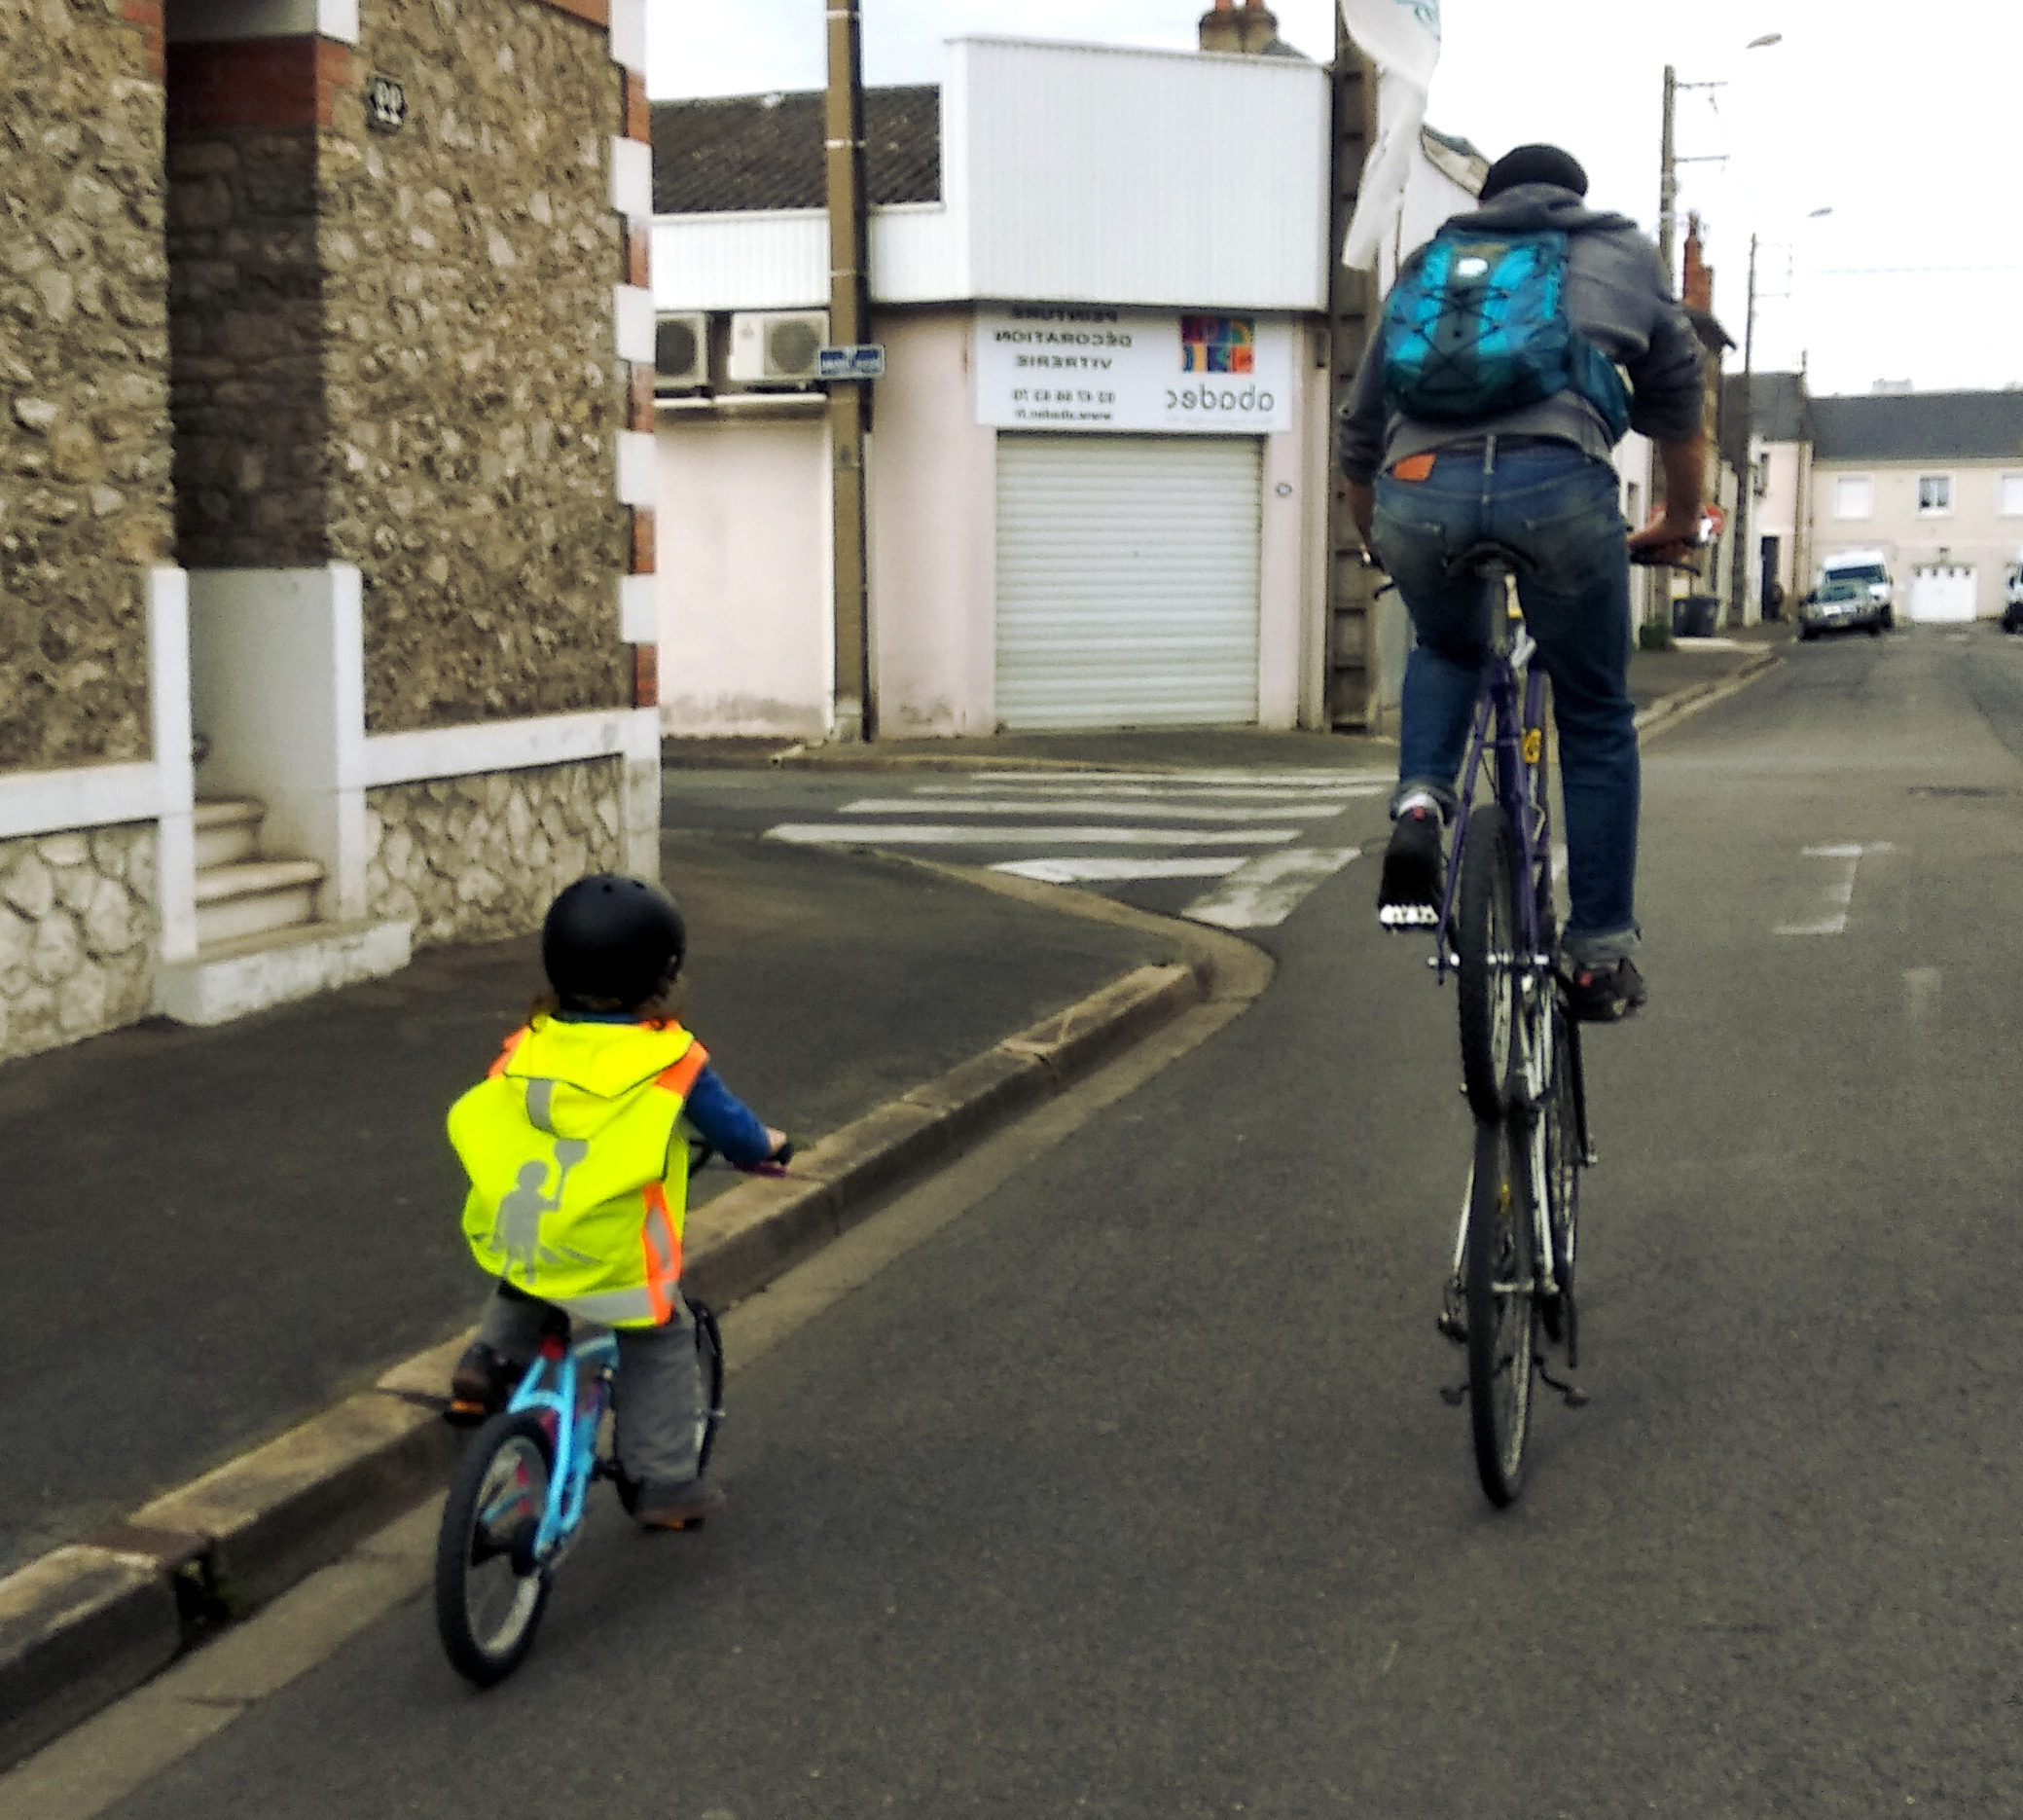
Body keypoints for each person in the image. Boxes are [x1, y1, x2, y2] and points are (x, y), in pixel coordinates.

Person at [1339, 142, 1709, 1022]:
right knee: (1593, 713)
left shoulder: (1430, 263)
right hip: (1560, 488)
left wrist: (1379, 539)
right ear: (1574, 200)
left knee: (1448, 645)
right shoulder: (1621, 252)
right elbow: (1678, 406)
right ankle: (1597, 957)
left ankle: (1420, 805)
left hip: (1417, 489)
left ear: (1487, 201)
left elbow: (1359, 430)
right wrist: (1678, 519)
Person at [443, 873, 789, 1529]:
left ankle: (486, 1361)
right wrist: (768, 1147)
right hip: (613, 1254)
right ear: (662, 975)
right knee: (661, 1336)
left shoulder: (528, 1043)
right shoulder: (672, 1059)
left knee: (530, 1271)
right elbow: (737, 1133)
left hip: (522, 1224)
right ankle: (663, 1482)